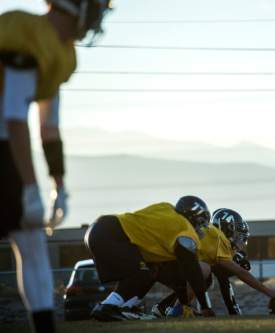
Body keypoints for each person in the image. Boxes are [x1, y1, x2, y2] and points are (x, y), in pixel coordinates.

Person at [0, 1, 111, 332]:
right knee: (30, 237)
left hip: (7, 145)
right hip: (5, 141)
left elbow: (49, 127)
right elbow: (15, 119)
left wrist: (58, 184)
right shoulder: (25, 33)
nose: (97, 16)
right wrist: (32, 187)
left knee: (32, 240)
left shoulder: (61, 52)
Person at [85, 196, 216, 321]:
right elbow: (192, 271)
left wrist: (184, 303)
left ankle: (126, 307)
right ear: (194, 217)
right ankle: (107, 306)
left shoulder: (166, 209)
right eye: (202, 222)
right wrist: (205, 306)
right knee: (143, 272)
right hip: (111, 233)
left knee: (151, 271)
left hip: (101, 228)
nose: (202, 228)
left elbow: (178, 277)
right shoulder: (185, 230)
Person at [153, 208, 275, 316]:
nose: (238, 239)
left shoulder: (212, 235)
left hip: (165, 261)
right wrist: (268, 291)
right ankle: (175, 310)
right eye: (236, 232)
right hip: (160, 261)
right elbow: (239, 273)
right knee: (204, 272)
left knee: (205, 278)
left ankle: (165, 308)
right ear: (226, 228)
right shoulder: (217, 238)